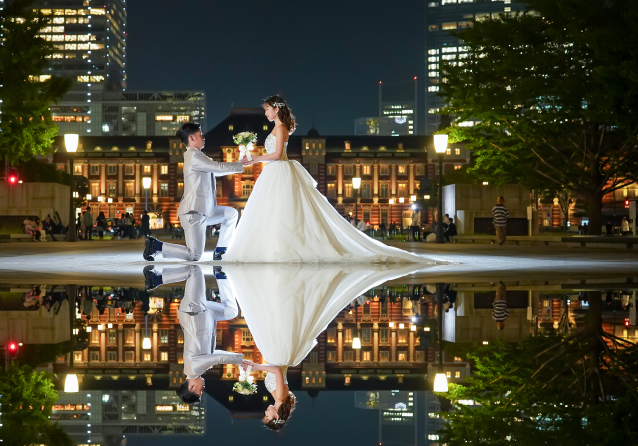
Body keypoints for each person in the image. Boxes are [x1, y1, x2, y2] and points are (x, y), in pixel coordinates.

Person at [226, 261, 428, 429]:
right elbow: (278, 372)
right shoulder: (280, 396)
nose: (265, 412)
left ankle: (283, 285)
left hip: (277, 353)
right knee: (271, 316)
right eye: (267, 416)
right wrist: (255, 366)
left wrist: (251, 369)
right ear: (276, 415)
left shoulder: (281, 398)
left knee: (273, 317)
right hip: (278, 354)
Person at [224, 96, 421, 263]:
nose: (265, 113)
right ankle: (273, 247)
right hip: (274, 172)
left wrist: (255, 159)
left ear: (276, 109)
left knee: (283, 210)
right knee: (273, 210)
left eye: (267, 109)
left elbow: (277, 155)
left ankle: (286, 249)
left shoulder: (282, 128)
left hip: (279, 169)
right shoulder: (277, 127)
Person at [143, 122, 247, 262]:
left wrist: (238, 165)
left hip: (203, 210)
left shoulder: (197, 156)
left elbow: (215, 171)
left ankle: (221, 251)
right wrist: (242, 164)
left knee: (231, 214)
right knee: (194, 255)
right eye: (200, 135)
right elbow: (217, 167)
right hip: (193, 213)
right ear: (192, 138)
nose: (203, 137)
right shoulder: (194, 156)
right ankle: (156, 245)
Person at [143, 265, 242, 404]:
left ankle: (156, 279)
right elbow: (216, 355)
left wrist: (241, 361)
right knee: (231, 311)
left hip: (194, 312)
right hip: (206, 314)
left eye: (200, 391)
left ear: (192, 386)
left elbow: (217, 358)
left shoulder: (193, 369)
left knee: (194, 271)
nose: (203, 388)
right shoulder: (199, 369)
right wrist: (240, 361)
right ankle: (220, 275)